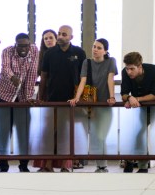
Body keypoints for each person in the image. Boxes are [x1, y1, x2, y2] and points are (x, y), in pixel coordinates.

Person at [36, 25, 86, 172]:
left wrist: (80, 98)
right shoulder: (50, 53)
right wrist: (41, 97)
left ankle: (65, 166)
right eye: (59, 34)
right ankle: (48, 165)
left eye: (64, 34)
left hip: (72, 101)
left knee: (67, 134)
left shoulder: (79, 52)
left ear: (71, 37)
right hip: (52, 99)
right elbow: (44, 77)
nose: (60, 36)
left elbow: (84, 77)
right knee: (50, 134)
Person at [69, 38, 118, 173]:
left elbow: (110, 79)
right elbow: (83, 81)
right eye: (94, 46)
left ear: (105, 51)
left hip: (104, 104)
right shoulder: (87, 62)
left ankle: (102, 165)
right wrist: (76, 98)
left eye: (99, 47)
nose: (95, 49)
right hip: (89, 104)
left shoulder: (111, 61)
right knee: (92, 135)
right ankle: (99, 165)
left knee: (100, 135)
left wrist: (112, 97)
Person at [0, 32, 39, 172]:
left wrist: (29, 97)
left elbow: (32, 75)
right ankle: (3, 165)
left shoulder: (34, 51)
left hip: (22, 97)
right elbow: (5, 68)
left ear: (30, 44)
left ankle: (23, 165)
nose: (23, 49)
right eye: (20, 46)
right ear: (15, 45)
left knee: (23, 132)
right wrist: (12, 77)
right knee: (2, 132)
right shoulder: (7, 51)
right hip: (3, 95)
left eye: (26, 45)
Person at [119, 51, 155, 173]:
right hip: (138, 106)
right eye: (127, 69)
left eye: (132, 69)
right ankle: (133, 162)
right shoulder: (125, 73)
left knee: (146, 133)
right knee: (136, 133)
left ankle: (141, 165)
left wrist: (136, 99)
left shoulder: (154, 70)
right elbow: (123, 93)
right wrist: (129, 98)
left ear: (140, 67)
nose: (129, 72)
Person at [32, 29, 57, 172]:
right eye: (45, 38)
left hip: (59, 94)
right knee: (44, 130)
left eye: (51, 38)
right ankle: (45, 164)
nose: (48, 40)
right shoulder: (41, 56)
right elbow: (36, 76)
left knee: (60, 131)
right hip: (44, 93)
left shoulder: (61, 55)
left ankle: (59, 164)